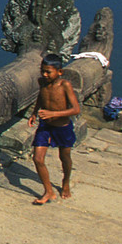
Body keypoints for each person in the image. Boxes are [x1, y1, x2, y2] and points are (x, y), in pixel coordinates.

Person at [27, 54, 80, 204]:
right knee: (37, 158)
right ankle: (48, 191)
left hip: (62, 127)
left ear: (59, 72)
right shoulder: (42, 82)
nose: (45, 75)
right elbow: (41, 96)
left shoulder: (65, 85)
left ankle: (66, 182)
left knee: (64, 157)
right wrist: (34, 112)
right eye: (42, 71)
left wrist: (54, 113)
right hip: (45, 126)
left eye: (48, 72)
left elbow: (76, 109)